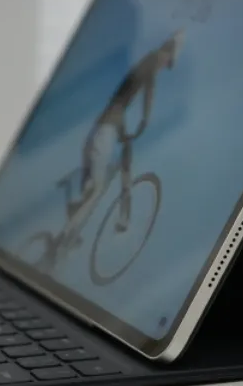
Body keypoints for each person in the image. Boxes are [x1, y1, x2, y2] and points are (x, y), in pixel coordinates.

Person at [59, 29, 184, 248]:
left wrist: (125, 134)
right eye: (169, 61)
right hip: (105, 131)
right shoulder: (153, 59)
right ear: (168, 52)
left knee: (91, 189)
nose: (165, 66)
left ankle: (71, 228)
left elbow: (120, 104)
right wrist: (145, 118)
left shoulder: (137, 74)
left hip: (104, 129)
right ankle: (64, 237)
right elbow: (149, 89)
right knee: (97, 189)